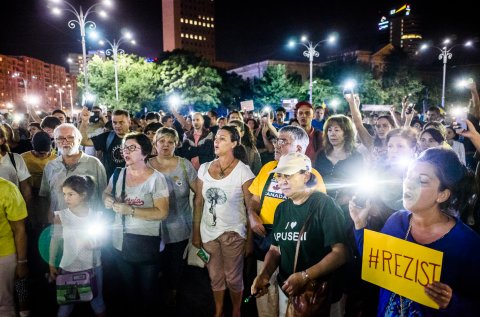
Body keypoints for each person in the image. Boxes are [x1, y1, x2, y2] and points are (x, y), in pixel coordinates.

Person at [349, 148, 480, 315]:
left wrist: (451, 302)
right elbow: (374, 262)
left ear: (442, 194)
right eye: (408, 176)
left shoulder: (468, 244)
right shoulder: (396, 221)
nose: (408, 184)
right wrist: (360, 225)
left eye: (422, 181)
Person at [251, 152, 348, 316]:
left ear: (306, 175)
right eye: (279, 176)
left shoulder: (325, 205)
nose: (282, 181)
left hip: (318, 294)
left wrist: (305, 276)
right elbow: (275, 249)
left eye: (288, 175)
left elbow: (340, 253)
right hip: (290, 291)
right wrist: (264, 275)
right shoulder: (282, 209)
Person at [248, 125, 327, 317]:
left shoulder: (312, 177)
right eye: (276, 140)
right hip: (266, 240)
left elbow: (316, 216)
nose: (276, 144)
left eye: (283, 141)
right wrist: (252, 215)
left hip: (295, 244)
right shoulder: (268, 168)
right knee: (265, 293)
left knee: (291, 299)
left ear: (299, 149)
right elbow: (254, 199)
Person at [103, 132, 169, 316]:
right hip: (120, 243)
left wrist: (131, 211)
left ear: (145, 152)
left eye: (132, 148)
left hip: (146, 243)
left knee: (148, 293)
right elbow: (106, 193)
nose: (126, 152)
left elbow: (162, 212)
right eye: (125, 147)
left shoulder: (157, 179)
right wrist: (107, 200)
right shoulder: (118, 174)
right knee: (128, 291)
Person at [192, 126, 255, 317]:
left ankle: (236, 310)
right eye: (216, 138)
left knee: (233, 276)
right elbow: (198, 201)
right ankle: (219, 310)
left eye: (222, 138)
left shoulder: (243, 171)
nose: (216, 142)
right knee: (215, 275)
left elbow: (251, 207)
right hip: (208, 232)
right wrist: (196, 232)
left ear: (234, 143)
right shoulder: (204, 168)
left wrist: (250, 239)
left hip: (233, 233)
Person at [148, 127, 198, 307]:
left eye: (170, 142)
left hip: (179, 229)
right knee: (154, 268)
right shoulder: (146, 165)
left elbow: (199, 194)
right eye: (161, 141)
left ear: (176, 144)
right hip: (152, 229)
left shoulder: (184, 165)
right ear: (155, 143)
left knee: (175, 268)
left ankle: (174, 298)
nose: (166, 145)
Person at [49, 175, 106, 317]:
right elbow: (54, 241)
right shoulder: (61, 216)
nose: (66, 198)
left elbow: (102, 241)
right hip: (69, 267)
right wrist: (51, 264)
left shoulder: (96, 216)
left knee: (97, 301)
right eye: (64, 194)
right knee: (66, 304)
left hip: (92, 267)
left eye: (70, 194)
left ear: (83, 195)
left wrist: (95, 243)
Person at [39, 124, 107, 221]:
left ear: (79, 140)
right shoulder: (50, 166)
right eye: (60, 138)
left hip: (88, 224)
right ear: (55, 142)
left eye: (70, 138)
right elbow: (45, 196)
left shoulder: (94, 164)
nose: (65, 142)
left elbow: (104, 194)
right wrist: (49, 217)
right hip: (59, 223)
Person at [314, 115, 363, 207]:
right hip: (321, 205)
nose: (332, 134)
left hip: (347, 208)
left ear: (346, 133)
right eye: (329, 130)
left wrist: (346, 198)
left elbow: (359, 186)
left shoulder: (356, 157)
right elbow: (315, 179)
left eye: (337, 130)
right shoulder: (321, 155)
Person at [0, 177, 28, 317]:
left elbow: (19, 230)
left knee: (4, 305)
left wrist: (21, 262)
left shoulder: (7, 188)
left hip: (3, 255)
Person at [80, 108, 131, 179]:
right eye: (114, 122)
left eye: (121, 122)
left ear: (129, 122)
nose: (117, 126)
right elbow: (84, 142)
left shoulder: (137, 138)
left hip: (131, 182)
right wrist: (84, 121)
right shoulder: (107, 137)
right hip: (109, 182)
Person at [345, 94, 394, 162]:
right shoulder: (372, 143)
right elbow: (358, 125)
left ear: (393, 127)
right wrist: (353, 104)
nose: (381, 129)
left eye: (385, 126)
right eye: (378, 126)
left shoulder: (399, 145)